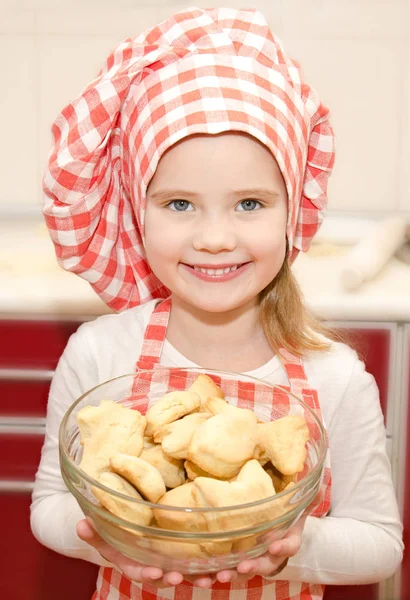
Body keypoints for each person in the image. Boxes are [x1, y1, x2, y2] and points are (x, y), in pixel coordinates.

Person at [30, 6, 403, 600]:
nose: (215, 237)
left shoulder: (336, 378)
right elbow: (49, 503)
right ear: (136, 213)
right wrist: (103, 535)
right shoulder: (101, 352)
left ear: (293, 214)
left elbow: (380, 543)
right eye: (179, 204)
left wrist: (284, 548)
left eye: (250, 204)